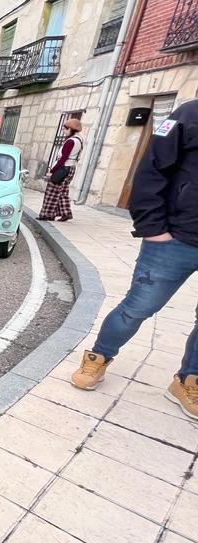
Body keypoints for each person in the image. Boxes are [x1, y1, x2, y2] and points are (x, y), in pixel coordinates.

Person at [71, 99, 198, 419]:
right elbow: (151, 169)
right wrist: (153, 228)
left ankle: (188, 380)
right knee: (138, 307)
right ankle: (98, 357)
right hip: (175, 239)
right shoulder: (189, 114)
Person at [38, 118, 84, 222]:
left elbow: (63, 158)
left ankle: (47, 214)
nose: (63, 131)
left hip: (63, 168)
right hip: (70, 168)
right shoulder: (79, 140)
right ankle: (65, 213)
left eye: (65, 129)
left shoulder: (70, 141)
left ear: (70, 129)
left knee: (52, 192)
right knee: (62, 192)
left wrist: (52, 171)